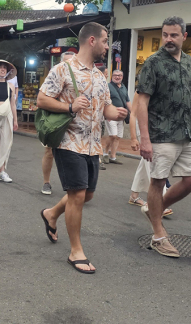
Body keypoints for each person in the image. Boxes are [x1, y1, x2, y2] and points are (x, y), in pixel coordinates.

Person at [38, 22, 127, 274]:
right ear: (91, 41)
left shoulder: (101, 76)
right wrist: (68, 107)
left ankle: (51, 213)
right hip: (68, 141)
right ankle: (76, 250)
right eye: (105, 41)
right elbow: (42, 98)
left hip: (93, 145)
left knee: (87, 195)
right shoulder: (63, 69)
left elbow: (105, 107)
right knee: (77, 194)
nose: (107, 46)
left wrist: (116, 114)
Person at [136, 16, 191, 258]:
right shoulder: (153, 63)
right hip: (161, 133)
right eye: (165, 34)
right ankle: (158, 236)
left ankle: (155, 209)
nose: (168, 39)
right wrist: (144, 139)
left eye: (174, 35)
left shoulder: (189, 62)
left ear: (184, 36)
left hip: (186, 132)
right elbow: (141, 102)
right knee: (157, 181)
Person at [129, 92, 173, 217]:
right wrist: (133, 138)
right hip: (144, 130)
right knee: (154, 163)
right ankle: (161, 202)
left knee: (146, 163)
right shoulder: (141, 91)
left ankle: (134, 195)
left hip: (158, 129)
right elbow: (133, 114)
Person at [41, 51, 75, 195]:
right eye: (66, 61)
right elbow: (43, 99)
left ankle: (74, 186)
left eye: (72, 61)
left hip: (73, 121)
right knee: (49, 151)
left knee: (73, 154)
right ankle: (46, 182)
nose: (69, 64)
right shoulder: (54, 76)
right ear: (61, 62)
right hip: (56, 119)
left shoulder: (78, 78)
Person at [103, 70, 131, 165]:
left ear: (122, 77)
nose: (117, 77)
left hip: (121, 117)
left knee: (118, 137)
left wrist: (133, 114)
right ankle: (105, 153)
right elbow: (104, 101)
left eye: (119, 75)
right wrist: (107, 114)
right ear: (112, 76)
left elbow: (127, 101)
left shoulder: (124, 88)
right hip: (111, 116)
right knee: (113, 135)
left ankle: (113, 157)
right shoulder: (108, 86)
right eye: (115, 75)